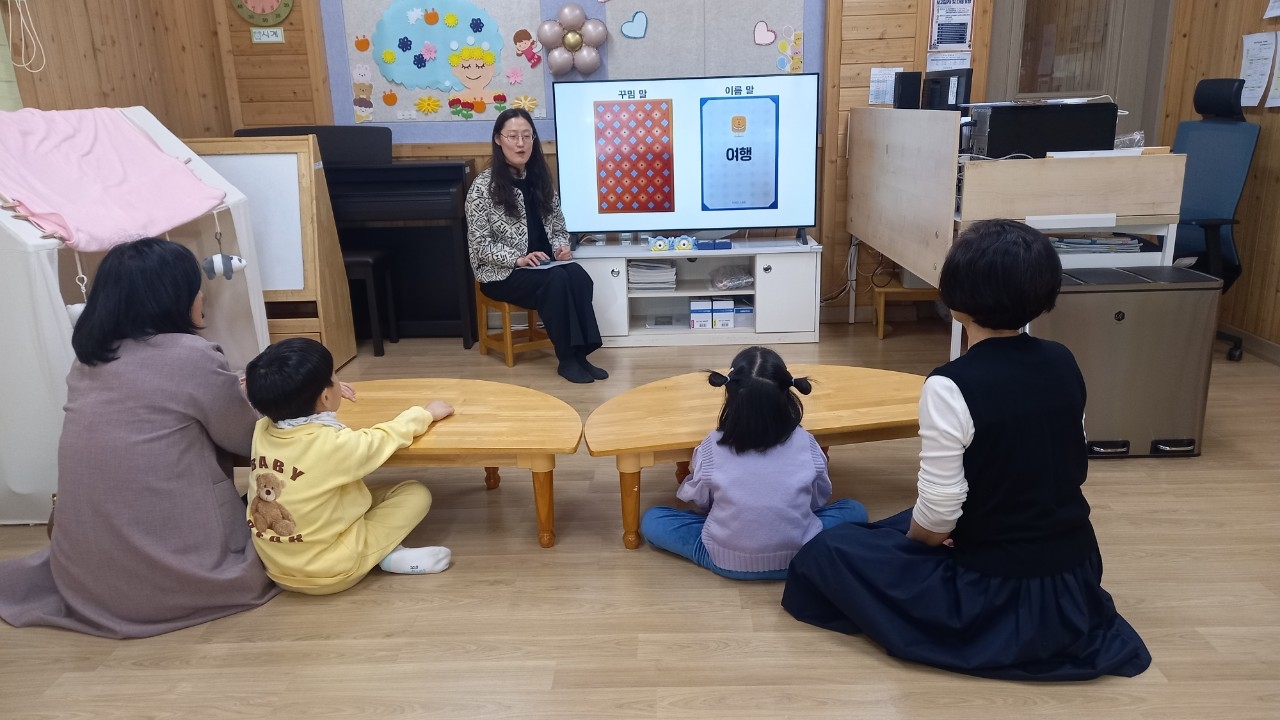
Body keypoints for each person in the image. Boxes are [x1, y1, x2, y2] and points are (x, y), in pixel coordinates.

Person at [782, 220, 1151, 680]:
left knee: (828, 552)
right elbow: (1066, 461)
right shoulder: (1062, 359)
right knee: (898, 523)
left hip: (997, 592)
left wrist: (924, 546)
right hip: (1074, 572)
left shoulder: (949, 385)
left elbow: (938, 514)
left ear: (957, 298)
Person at [0, 237, 279, 638]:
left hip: (87, 576)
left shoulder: (88, 361)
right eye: (194, 286)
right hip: (187, 564)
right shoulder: (191, 355)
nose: (201, 295)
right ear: (172, 297)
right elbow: (247, 439)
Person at [242, 337, 454, 595]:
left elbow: (284, 407)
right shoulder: (334, 445)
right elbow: (385, 436)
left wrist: (319, 395)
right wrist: (426, 413)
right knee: (415, 493)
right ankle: (385, 556)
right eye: (335, 377)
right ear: (325, 395)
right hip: (332, 572)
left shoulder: (262, 430)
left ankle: (377, 553)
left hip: (276, 568)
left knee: (353, 493)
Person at [640, 346, 869, 580]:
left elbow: (703, 502)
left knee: (652, 520)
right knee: (855, 510)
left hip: (725, 559)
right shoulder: (806, 442)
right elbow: (818, 498)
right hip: (801, 554)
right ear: (788, 395)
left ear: (729, 394)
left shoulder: (712, 445)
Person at [466, 107, 607, 384]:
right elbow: (480, 245)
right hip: (502, 273)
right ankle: (567, 359)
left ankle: (581, 355)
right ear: (498, 139)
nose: (520, 143)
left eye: (527, 136)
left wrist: (560, 247)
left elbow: (558, 226)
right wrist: (518, 258)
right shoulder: (482, 187)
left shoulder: (540, 178)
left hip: (543, 265)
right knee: (556, 281)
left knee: (577, 276)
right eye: (513, 136)